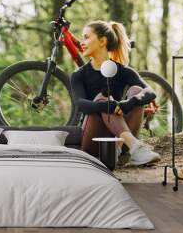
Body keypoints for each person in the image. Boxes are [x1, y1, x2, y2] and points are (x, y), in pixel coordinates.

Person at [69, 20, 161, 166]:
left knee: (137, 91)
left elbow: (150, 92)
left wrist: (129, 103)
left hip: (119, 141)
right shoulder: (79, 75)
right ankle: (136, 147)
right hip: (93, 142)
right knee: (103, 99)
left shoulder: (123, 71)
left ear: (102, 41)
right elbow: (80, 104)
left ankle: (119, 150)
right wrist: (106, 105)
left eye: (86, 37)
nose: (82, 42)